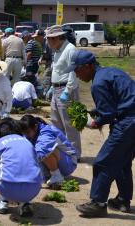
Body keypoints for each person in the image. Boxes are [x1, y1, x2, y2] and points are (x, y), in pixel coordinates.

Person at [63, 50, 135, 217]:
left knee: (103, 162)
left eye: (77, 70)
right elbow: (120, 99)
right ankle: (123, 201)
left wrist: (95, 122)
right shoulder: (112, 72)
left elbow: (108, 114)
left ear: (88, 66)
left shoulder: (98, 83)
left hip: (128, 123)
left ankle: (98, 203)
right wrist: (97, 111)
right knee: (121, 161)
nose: (76, 74)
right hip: (131, 119)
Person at [0, 118, 42, 216]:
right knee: (25, 165)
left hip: (7, 188)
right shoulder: (28, 142)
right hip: (34, 189)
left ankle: (2, 202)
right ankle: (25, 203)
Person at [46, 25, 81, 161]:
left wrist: (67, 91)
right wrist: (51, 87)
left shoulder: (70, 49)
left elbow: (73, 73)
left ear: (57, 38)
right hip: (56, 89)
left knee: (69, 124)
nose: (48, 43)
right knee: (56, 122)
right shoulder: (57, 50)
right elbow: (57, 70)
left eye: (49, 39)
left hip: (66, 89)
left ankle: (75, 154)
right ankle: (63, 150)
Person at [21, 115, 77, 186]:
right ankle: (49, 174)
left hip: (69, 163)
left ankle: (57, 176)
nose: (26, 135)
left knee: (45, 150)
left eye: (28, 132)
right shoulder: (30, 132)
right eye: (24, 133)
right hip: (59, 160)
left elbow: (41, 152)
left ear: (35, 126)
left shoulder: (47, 132)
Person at [33, 29, 54, 100]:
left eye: (36, 37)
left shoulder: (47, 42)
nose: (35, 38)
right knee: (48, 79)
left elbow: (52, 54)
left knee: (46, 78)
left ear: (41, 36)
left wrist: (52, 64)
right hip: (48, 62)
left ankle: (45, 95)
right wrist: (40, 59)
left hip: (52, 62)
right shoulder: (42, 42)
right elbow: (43, 53)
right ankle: (48, 95)